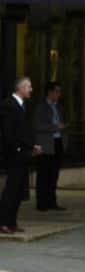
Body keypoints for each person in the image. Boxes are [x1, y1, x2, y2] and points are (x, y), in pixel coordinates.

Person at [0, 77, 42, 234]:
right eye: (29, 87)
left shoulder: (22, 105)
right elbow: (9, 132)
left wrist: (32, 146)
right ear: (21, 88)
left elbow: (23, 131)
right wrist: (18, 149)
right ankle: (3, 222)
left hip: (23, 153)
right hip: (14, 154)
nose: (31, 90)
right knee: (11, 190)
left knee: (18, 191)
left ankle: (12, 222)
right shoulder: (9, 105)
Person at [34, 81, 68, 211]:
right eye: (56, 91)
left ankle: (52, 202)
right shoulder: (40, 107)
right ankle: (42, 203)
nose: (59, 94)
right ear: (50, 92)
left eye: (60, 92)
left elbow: (62, 122)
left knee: (54, 174)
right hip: (46, 144)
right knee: (44, 174)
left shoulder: (59, 107)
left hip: (58, 143)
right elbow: (37, 125)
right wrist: (55, 127)